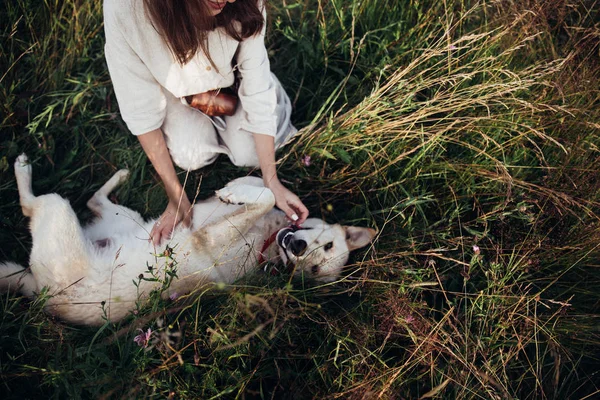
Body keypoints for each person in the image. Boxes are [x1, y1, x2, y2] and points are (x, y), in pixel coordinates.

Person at [103, 0, 308, 245]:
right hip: (176, 91)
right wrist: (175, 196)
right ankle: (196, 102)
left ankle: (242, 100)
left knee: (251, 154)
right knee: (190, 158)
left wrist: (271, 180)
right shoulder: (125, 9)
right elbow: (140, 111)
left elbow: (256, 89)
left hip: (233, 82)